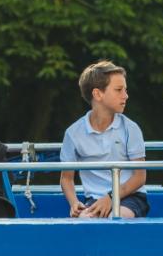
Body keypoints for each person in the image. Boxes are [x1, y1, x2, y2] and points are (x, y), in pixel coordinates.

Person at [60, 60, 149, 218]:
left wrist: (110, 198)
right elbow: (66, 178)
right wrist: (74, 203)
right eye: (119, 90)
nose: (126, 96)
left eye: (125, 90)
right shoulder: (73, 133)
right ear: (97, 94)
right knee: (84, 220)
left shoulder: (131, 128)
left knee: (115, 217)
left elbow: (139, 177)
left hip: (130, 198)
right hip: (93, 200)